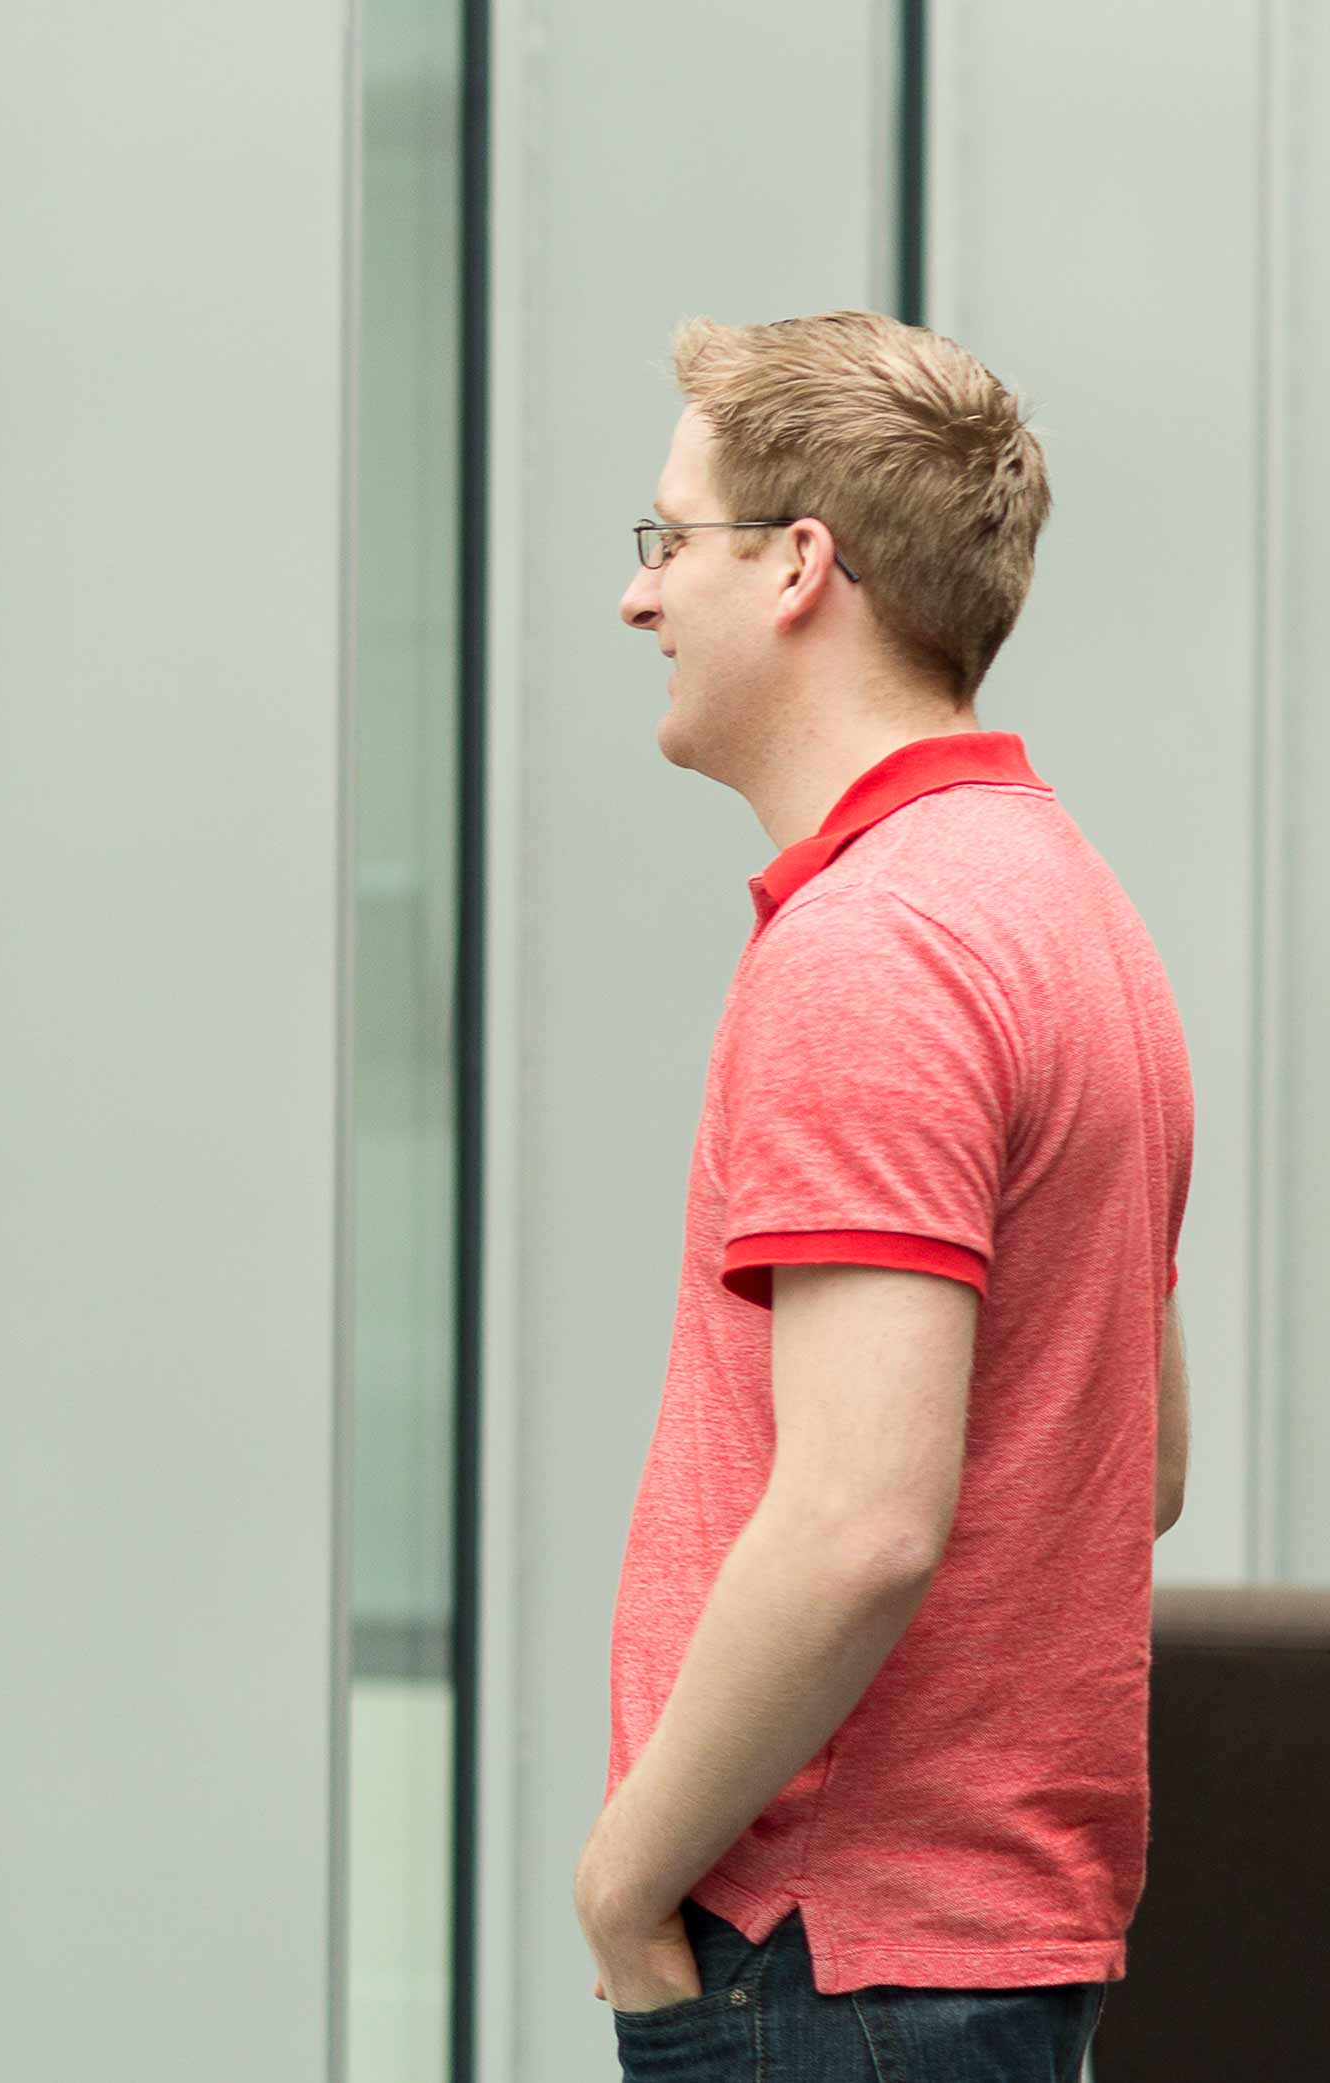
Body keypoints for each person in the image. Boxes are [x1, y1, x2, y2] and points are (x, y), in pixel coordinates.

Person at [584, 312, 1182, 2083]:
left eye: (666, 541)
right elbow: (1137, 1462)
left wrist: (625, 1884)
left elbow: (861, 1519)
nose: (639, 601)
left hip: (827, 1956)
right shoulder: (1065, 904)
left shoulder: (877, 949)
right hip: (978, 1947)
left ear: (797, 566)